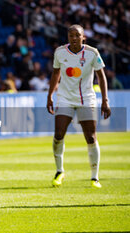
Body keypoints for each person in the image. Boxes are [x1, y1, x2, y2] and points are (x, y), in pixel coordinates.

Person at [47, 24, 111, 189]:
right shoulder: (60, 52)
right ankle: (59, 171)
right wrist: (50, 95)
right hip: (64, 98)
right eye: (71, 36)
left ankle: (94, 177)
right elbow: (56, 73)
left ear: (83, 37)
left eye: (77, 35)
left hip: (86, 99)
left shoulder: (92, 53)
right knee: (59, 133)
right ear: (68, 38)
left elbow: (101, 76)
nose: (74, 38)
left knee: (90, 137)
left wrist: (105, 100)